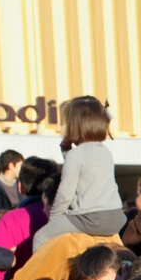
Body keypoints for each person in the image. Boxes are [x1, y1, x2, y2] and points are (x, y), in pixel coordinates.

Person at [33, 96, 126, 249]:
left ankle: (39, 274)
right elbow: (87, 172)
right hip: (115, 216)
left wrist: (54, 219)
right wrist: (67, 153)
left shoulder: (76, 155)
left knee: (41, 237)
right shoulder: (104, 151)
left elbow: (65, 194)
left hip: (90, 218)